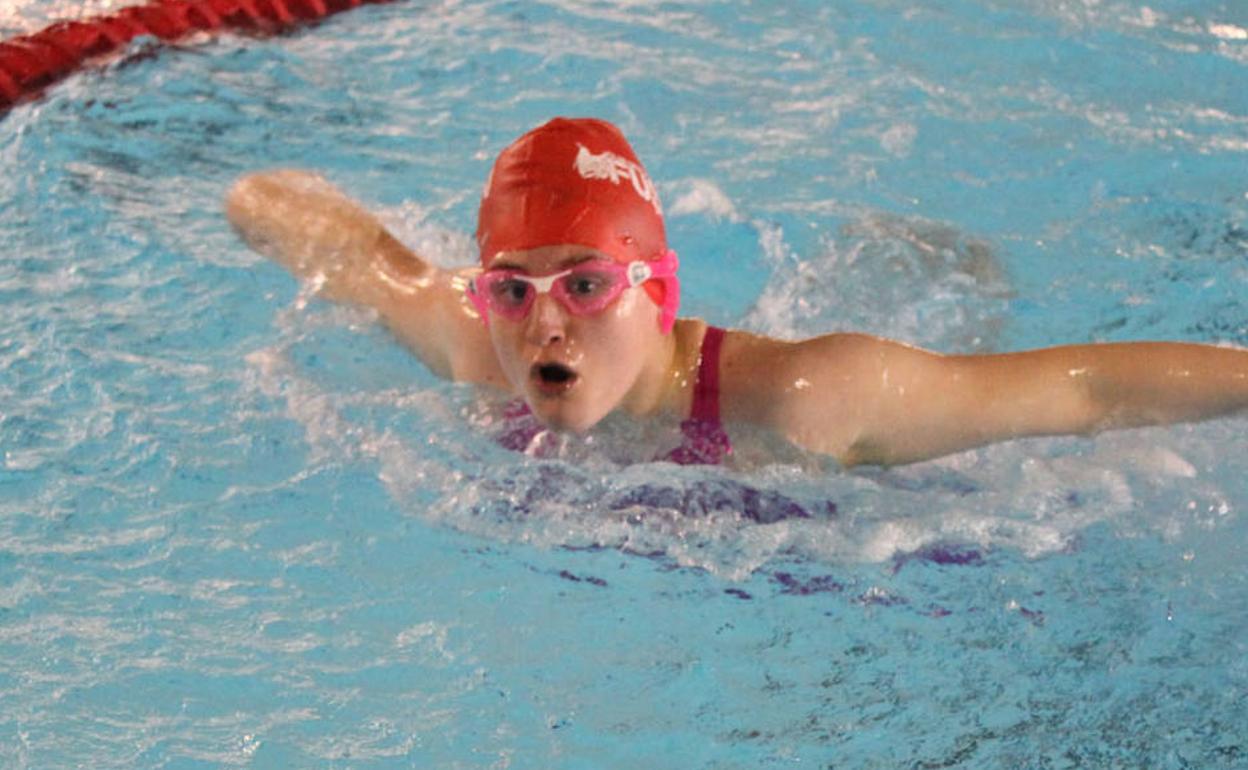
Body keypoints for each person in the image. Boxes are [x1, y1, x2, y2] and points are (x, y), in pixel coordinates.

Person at [225, 117, 1248, 468]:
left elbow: (1085, 392)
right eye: (513, 287)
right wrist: (250, 197)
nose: (544, 319)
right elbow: (317, 227)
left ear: (657, 293)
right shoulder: (473, 338)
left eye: (586, 284)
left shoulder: (806, 397)